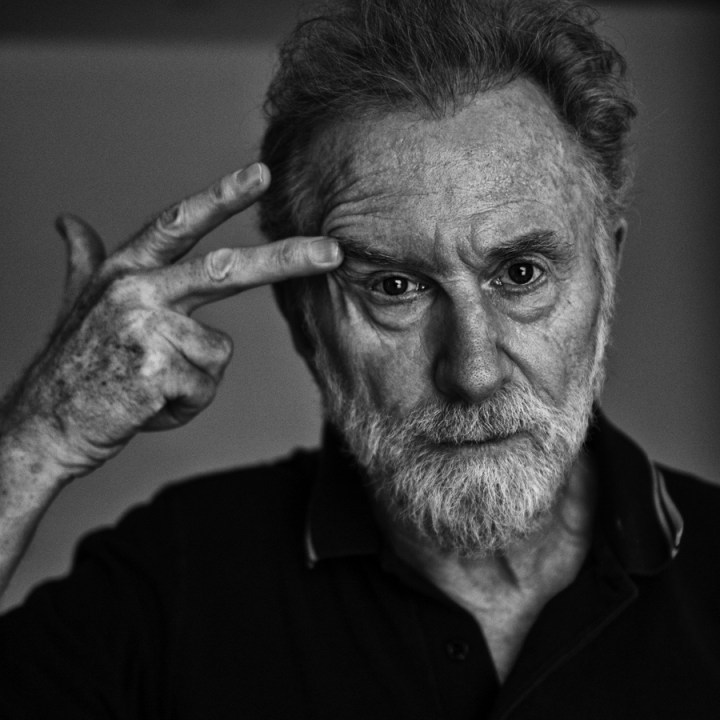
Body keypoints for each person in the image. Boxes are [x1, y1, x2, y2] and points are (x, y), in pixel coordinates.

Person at [0, 0, 717, 717]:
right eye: (394, 287)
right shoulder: (177, 578)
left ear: (607, 272)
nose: (473, 373)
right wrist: (42, 435)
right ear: (304, 320)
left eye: (521, 273)